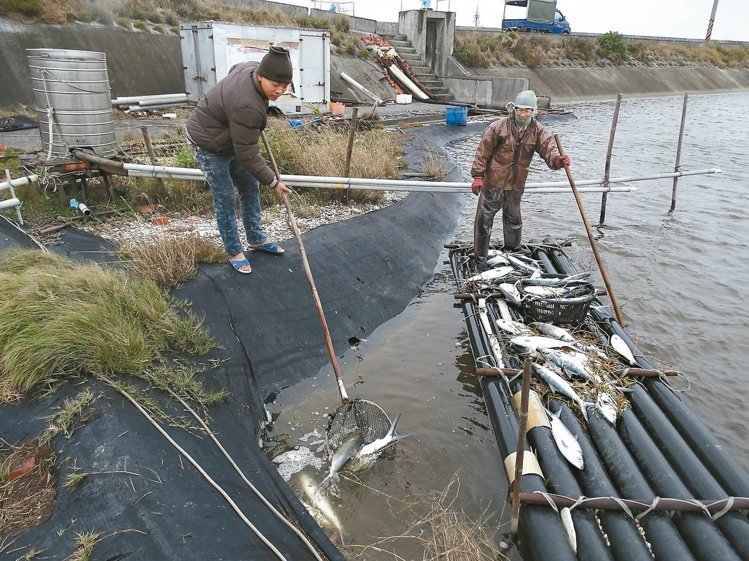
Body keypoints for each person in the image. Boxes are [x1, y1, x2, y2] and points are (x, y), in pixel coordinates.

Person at [187, 46, 294, 274]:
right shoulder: (247, 105)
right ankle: (234, 250)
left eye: (284, 86)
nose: (279, 91)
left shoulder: (251, 68)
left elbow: (235, 68)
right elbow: (247, 153)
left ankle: (255, 239)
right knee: (226, 196)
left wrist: (237, 117)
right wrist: (274, 182)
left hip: (230, 136)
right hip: (206, 143)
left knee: (249, 185)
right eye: (275, 85)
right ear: (261, 77)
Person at [470, 89, 570, 271]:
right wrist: (478, 176)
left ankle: (513, 252)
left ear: (534, 111)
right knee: (484, 221)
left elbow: (549, 149)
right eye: (520, 110)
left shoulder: (538, 131)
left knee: (514, 220)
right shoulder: (498, 127)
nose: (523, 114)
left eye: (527, 110)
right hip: (494, 183)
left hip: (516, 185)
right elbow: (483, 152)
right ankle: (480, 260)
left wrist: (558, 160)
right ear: (514, 109)